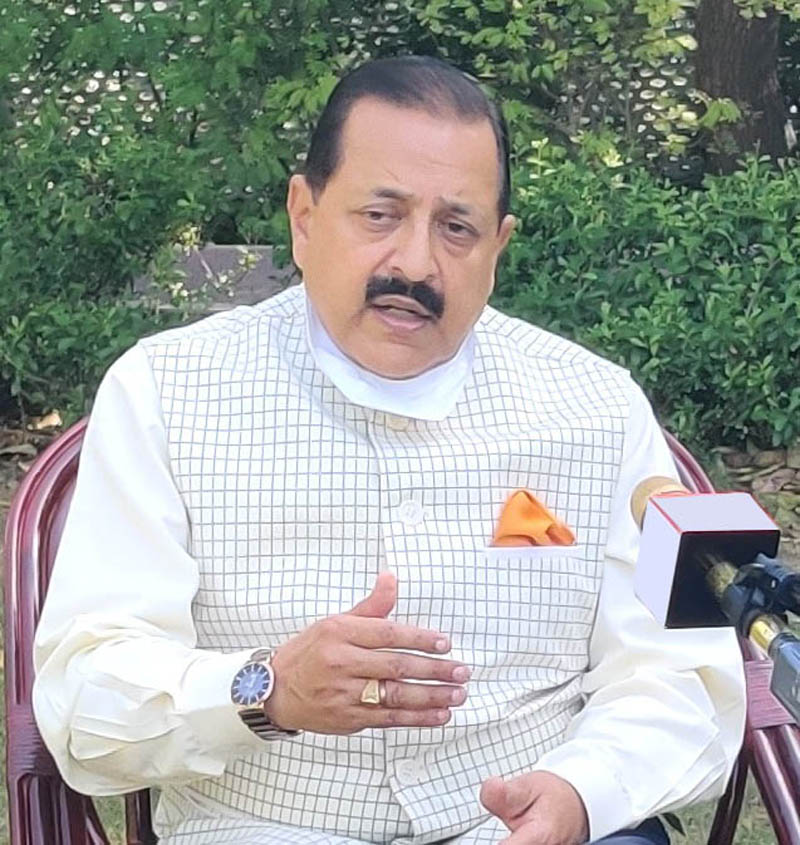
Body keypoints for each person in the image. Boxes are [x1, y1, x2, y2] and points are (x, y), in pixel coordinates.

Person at [33, 56, 745, 845]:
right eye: (380, 215)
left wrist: (581, 792)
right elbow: (84, 698)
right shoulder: (167, 393)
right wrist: (265, 690)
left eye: (457, 228)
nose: (415, 263)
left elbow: (681, 676)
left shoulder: (597, 408)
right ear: (304, 216)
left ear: (499, 245)